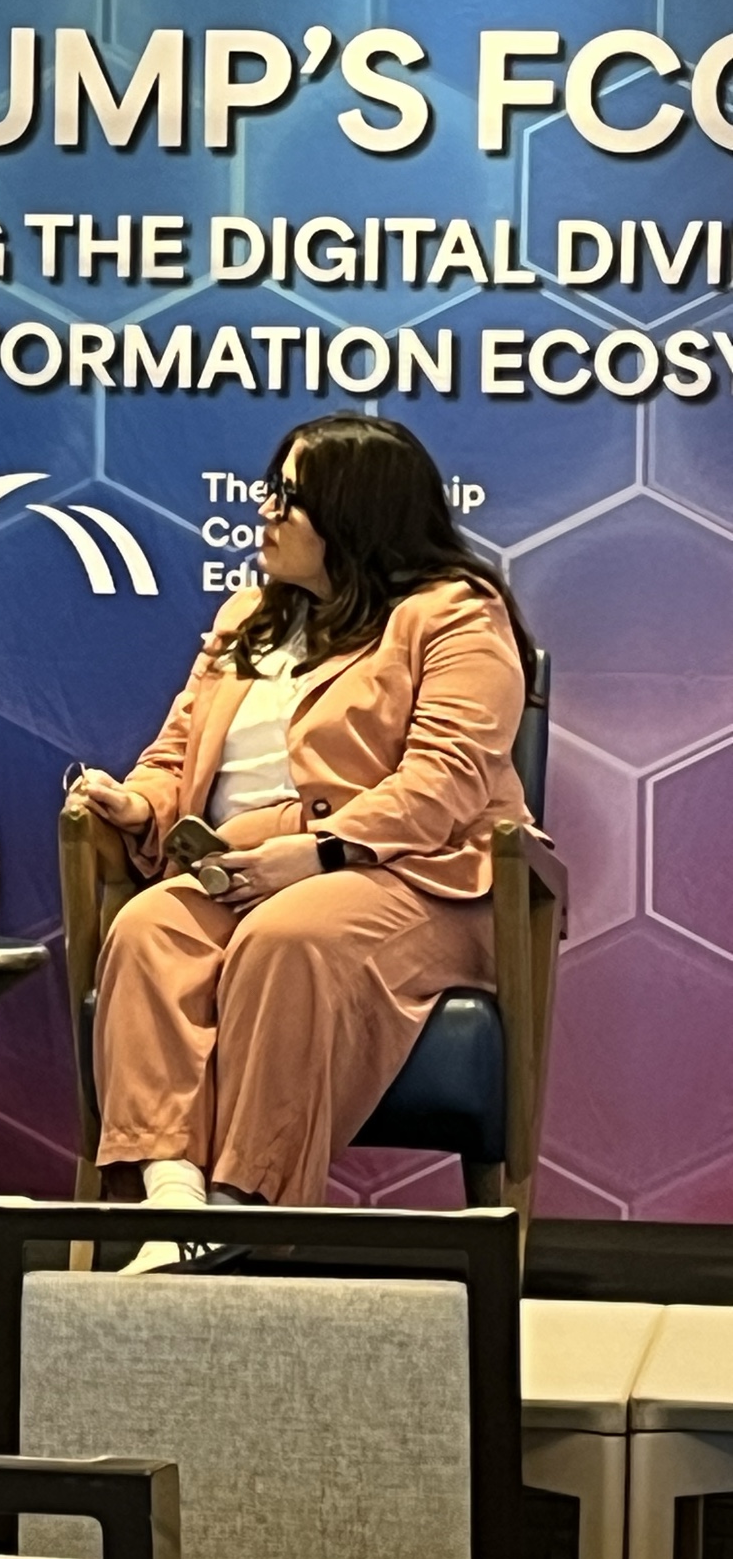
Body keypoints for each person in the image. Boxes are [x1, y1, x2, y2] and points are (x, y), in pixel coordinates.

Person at [76, 412, 539, 1211]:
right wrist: (139, 802)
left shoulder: (454, 615)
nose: (267, 511)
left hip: (416, 877)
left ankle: (244, 1207)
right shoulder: (247, 618)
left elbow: (445, 782)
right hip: (243, 866)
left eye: (290, 497)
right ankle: (170, 1199)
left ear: (354, 515)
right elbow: (178, 753)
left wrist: (319, 852)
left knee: (288, 936)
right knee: (148, 929)